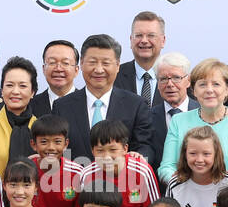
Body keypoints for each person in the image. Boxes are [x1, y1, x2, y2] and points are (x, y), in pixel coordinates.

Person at [52, 34, 155, 166]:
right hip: (74, 183)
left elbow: (145, 146)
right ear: (82, 64)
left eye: (106, 63)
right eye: (92, 62)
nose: (99, 69)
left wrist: (139, 158)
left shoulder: (136, 105)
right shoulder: (62, 106)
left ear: (117, 66)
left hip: (121, 182)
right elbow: (55, 146)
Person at [161, 58, 228, 181]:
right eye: (202, 84)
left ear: (227, 89)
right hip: (188, 195)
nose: (209, 90)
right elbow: (166, 167)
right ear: (194, 90)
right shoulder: (178, 121)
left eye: (216, 84)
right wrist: (179, 182)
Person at [79, 120, 160, 207]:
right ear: (92, 151)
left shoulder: (142, 171)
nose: (106, 157)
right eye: (100, 151)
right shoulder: (87, 174)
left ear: (125, 149)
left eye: (112, 150)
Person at [0, 56, 38, 175]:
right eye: (10, 85)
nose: (15, 91)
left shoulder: (41, 128)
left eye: (22, 86)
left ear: (32, 92)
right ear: (1, 90)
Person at [29, 114, 83, 207]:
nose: (51, 147)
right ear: (33, 144)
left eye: (57, 142)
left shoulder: (77, 173)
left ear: (66, 144)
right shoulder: (26, 170)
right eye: (44, 142)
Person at [147, 51, 197, 165]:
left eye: (176, 77)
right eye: (163, 79)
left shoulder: (203, 112)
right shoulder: (147, 117)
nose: (169, 84)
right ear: (158, 84)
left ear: (188, 81)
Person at [115, 11, 167, 101]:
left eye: (151, 35)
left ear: (163, 41)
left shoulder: (178, 77)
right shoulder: (114, 76)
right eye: (138, 35)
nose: (144, 40)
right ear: (131, 40)